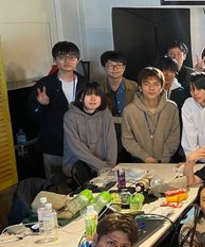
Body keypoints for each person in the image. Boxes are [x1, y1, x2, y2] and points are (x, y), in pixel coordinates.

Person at [29, 41, 88, 180]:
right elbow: (31, 115)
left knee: (83, 182)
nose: (67, 61)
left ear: (77, 60)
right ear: (55, 60)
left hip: (81, 143)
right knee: (55, 184)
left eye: (72, 57)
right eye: (62, 57)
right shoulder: (44, 84)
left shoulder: (86, 83)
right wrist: (42, 105)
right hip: (53, 144)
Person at [121, 67, 180, 163]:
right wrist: (145, 157)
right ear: (140, 87)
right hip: (139, 162)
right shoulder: (129, 111)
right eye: (146, 84)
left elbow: (174, 136)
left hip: (167, 161)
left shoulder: (171, 108)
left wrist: (165, 158)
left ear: (162, 87)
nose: (151, 88)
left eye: (156, 84)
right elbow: (127, 139)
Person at [63, 82, 117, 185]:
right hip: (77, 169)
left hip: (104, 169)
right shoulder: (70, 116)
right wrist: (102, 166)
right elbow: (77, 148)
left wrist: (110, 165)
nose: (93, 99)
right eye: (88, 95)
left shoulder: (105, 113)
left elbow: (111, 140)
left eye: (97, 95)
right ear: (80, 98)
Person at [100, 51, 138, 118]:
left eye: (119, 65)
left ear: (124, 68)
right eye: (110, 65)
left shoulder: (134, 86)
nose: (115, 68)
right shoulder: (98, 88)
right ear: (104, 68)